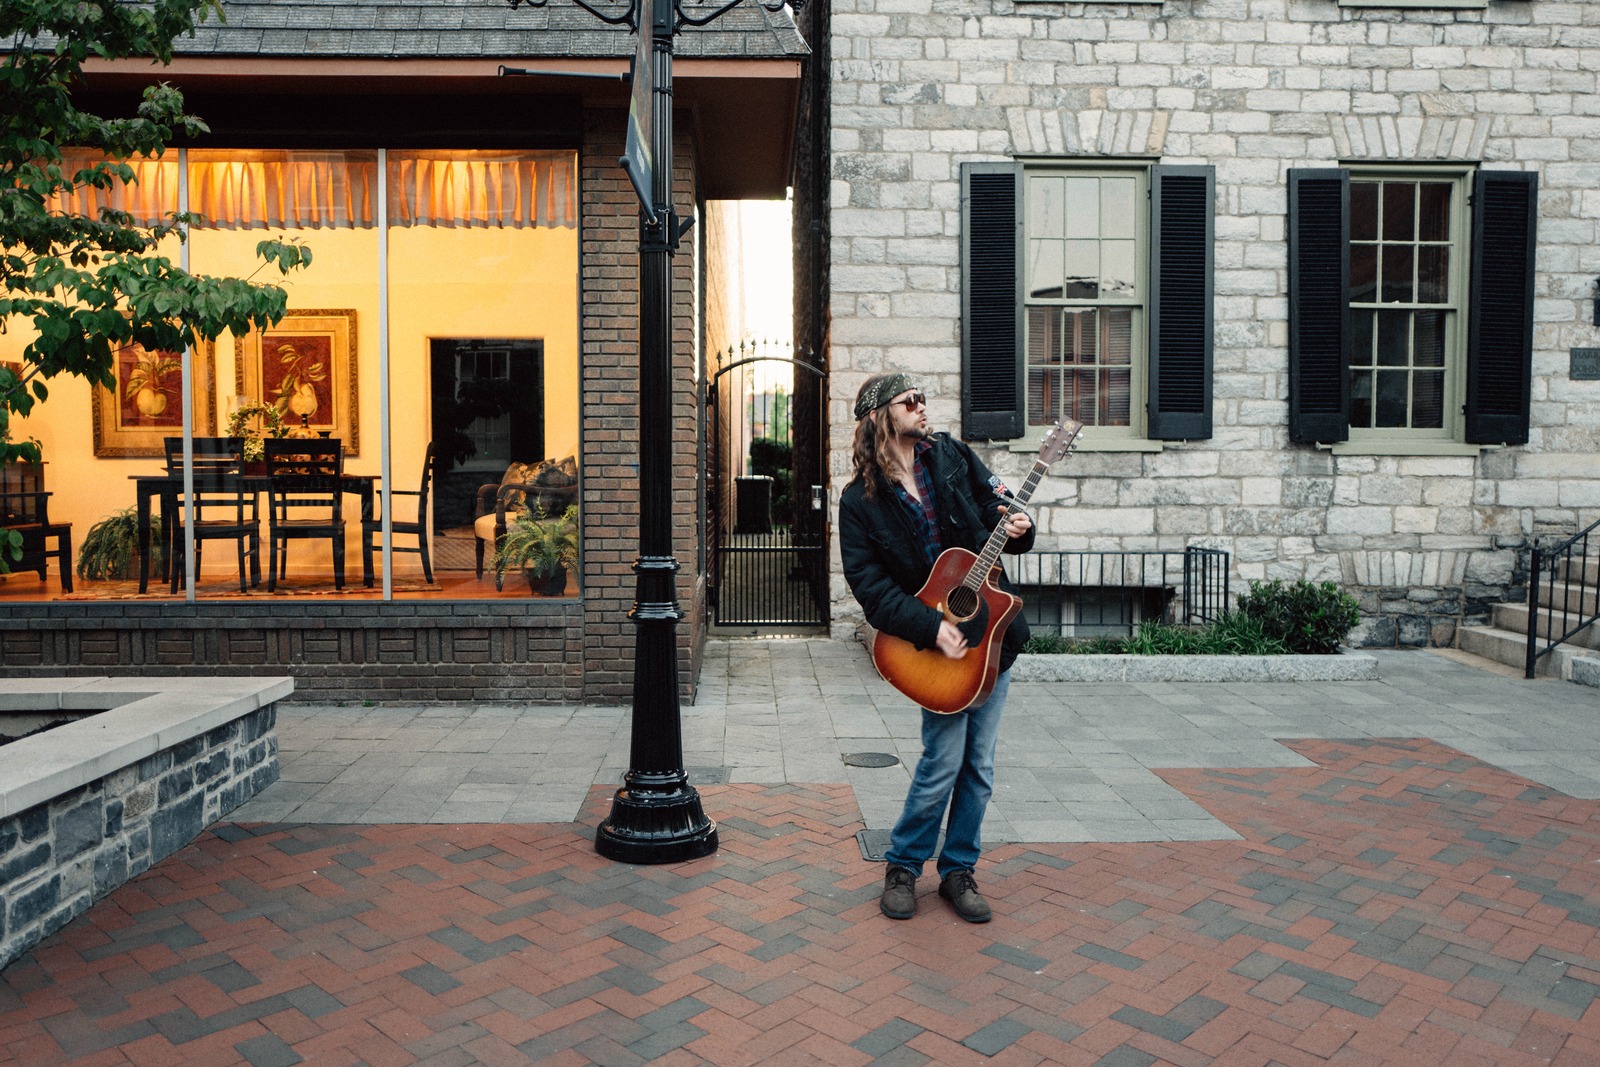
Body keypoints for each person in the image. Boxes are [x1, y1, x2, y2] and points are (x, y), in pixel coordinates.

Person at [839, 372, 1035, 923]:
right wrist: (931, 628)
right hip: (935, 650)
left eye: (924, 399)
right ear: (882, 416)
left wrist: (1019, 523)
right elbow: (871, 589)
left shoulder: (950, 456)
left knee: (980, 767)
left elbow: (996, 501)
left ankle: (958, 871)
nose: (923, 407)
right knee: (942, 763)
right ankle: (903, 865)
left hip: (992, 637)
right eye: (911, 401)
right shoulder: (859, 503)